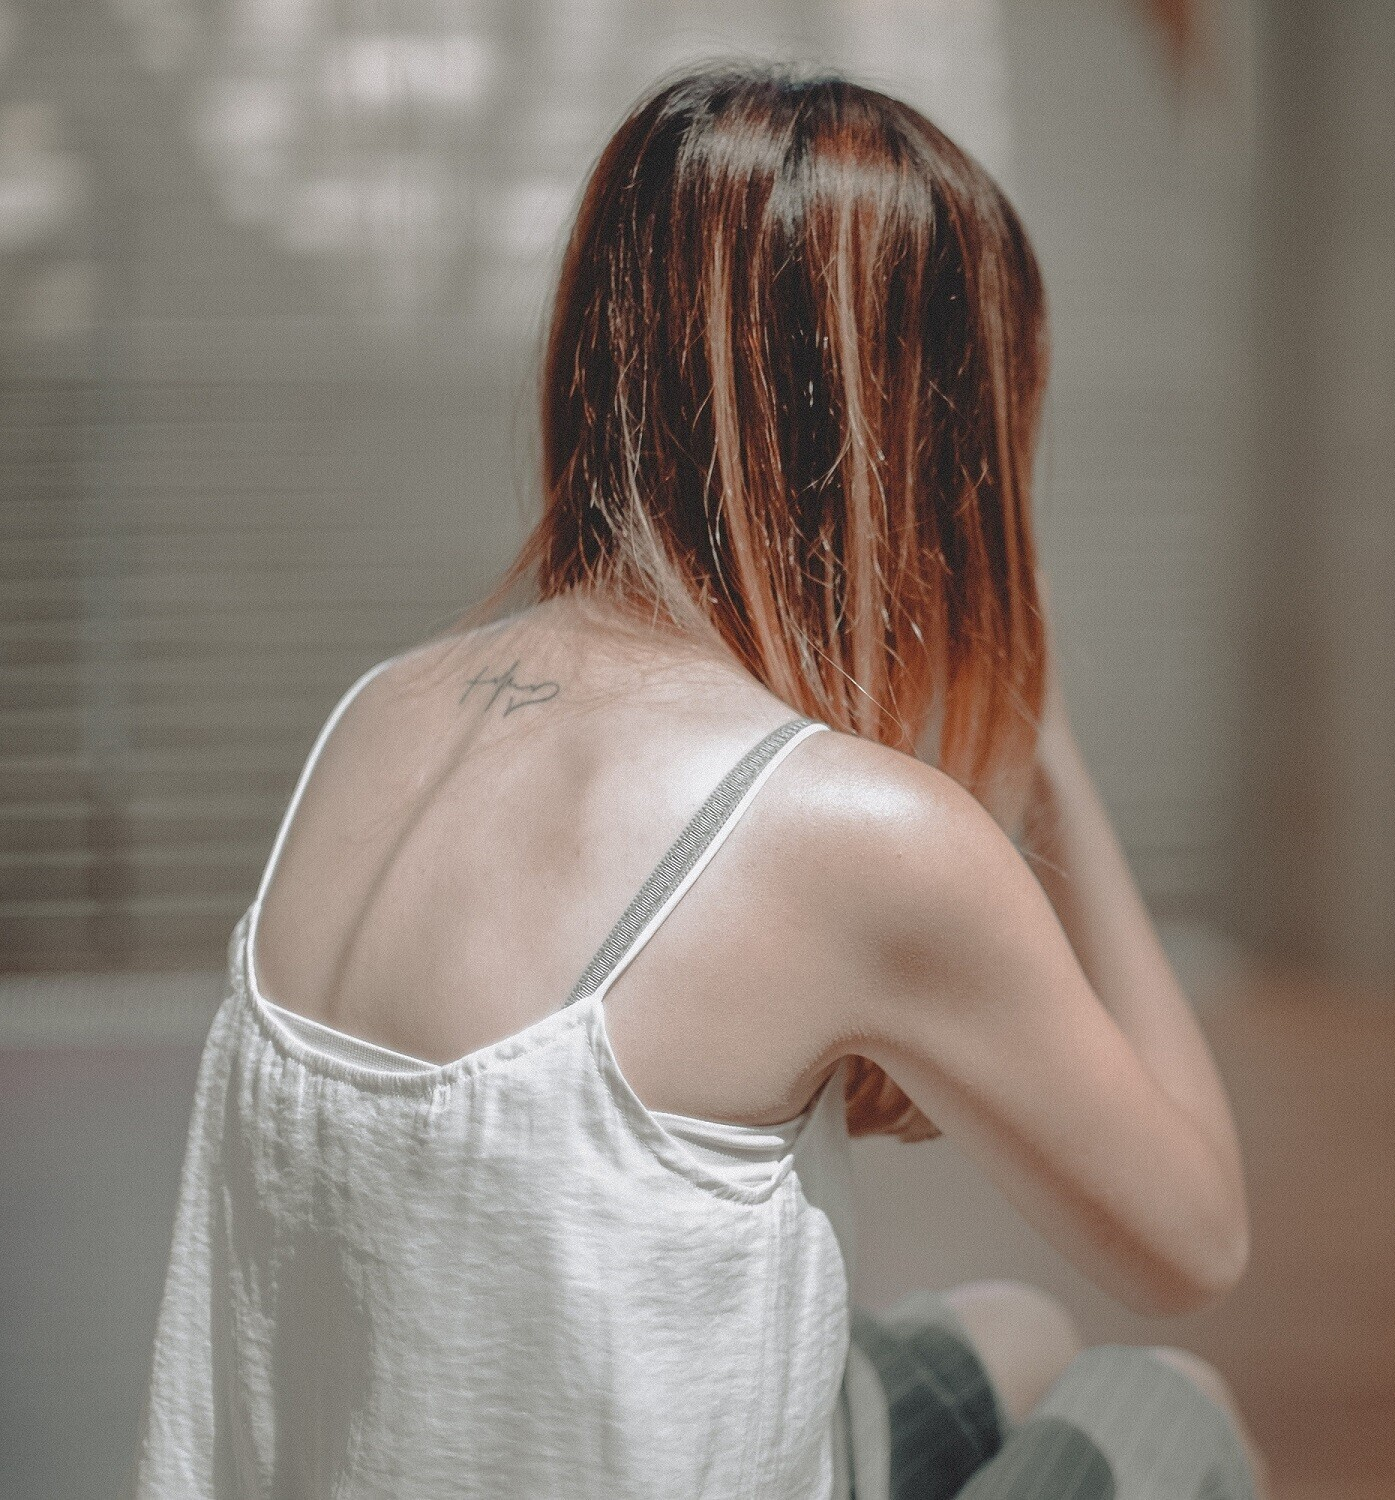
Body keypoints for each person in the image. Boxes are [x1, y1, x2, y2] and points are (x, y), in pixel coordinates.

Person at [132, 62, 1261, 1500]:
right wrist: (1034, 725)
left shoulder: (377, 717)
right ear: (937, 448)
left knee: (1017, 1332)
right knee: (1167, 1400)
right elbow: (1194, 1241)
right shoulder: (850, 831)